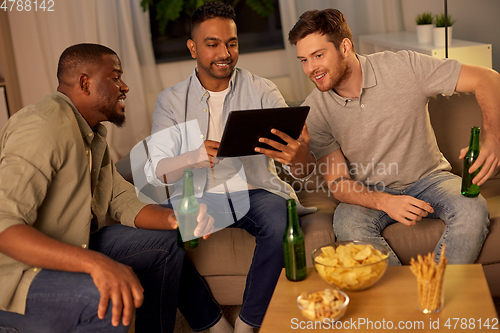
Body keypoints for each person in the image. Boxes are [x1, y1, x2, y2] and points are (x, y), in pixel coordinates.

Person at [0, 43, 216, 333]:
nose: (124, 86)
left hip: (72, 244)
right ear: (85, 83)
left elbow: (121, 199)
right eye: (115, 77)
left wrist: (175, 218)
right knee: (107, 296)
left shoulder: (92, 134)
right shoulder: (42, 125)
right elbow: (3, 224)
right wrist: (96, 265)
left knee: (166, 242)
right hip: (16, 276)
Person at [145, 2, 313, 332]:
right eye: (212, 44)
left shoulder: (263, 90)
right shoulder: (170, 100)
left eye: (231, 43)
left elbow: (301, 167)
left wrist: (300, 157)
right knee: (153, 238)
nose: (225, 52)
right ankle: (210, 322)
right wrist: (192, 157)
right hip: (198, 196)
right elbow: (158, 170)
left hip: (255, 192)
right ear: (192, 47)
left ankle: (248, 323)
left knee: (280, 216)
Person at [285, 8, 500, 266]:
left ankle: (435, 290)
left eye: (318, 55)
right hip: (368, 191)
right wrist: (387, 202)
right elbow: (339, 183)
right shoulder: (316, 111)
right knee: (347, 222)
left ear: (344, 47)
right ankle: (403, 302)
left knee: (473, 208)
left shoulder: (403, 66)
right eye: (304, 60)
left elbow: (487, 78)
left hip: (430, 179)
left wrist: (493, 139)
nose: (311, 69)